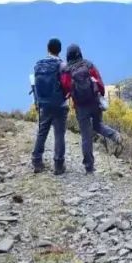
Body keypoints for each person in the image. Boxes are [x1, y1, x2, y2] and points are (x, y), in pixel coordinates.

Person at [62, 43, 122, 173]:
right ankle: (114, 135)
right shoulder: (88, 65)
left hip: (80, 106)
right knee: (97, 125)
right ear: (79, 53)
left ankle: (89, 167)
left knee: (86, 136)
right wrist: (100, 95)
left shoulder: (67, 70)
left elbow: (66, 88)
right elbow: (99, 83)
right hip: (94, 102)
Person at [30, 38, 68, 174]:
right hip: (59, 104)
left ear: (47, 49)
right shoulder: (62, 65)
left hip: (44, 104)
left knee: (42, 132)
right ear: (60, 50)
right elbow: (66, 84)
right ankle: (58, 165)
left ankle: (37, 161)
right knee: (59, 134)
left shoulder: (38, 65)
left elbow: (34, 84)